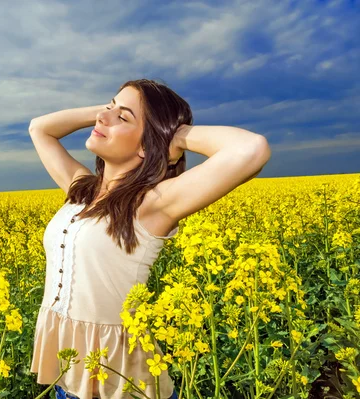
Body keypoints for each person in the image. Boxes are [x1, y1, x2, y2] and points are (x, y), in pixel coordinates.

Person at [28, 79, 271, 399]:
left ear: (147, 144)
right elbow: (39, 128)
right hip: (69, 377)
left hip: (124, 383)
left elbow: (252, 149)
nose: (104, 118)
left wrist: (174, 133)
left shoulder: (152, 204)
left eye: (123, 118)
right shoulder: (80, 188)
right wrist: (108, 112)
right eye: (109, 107)